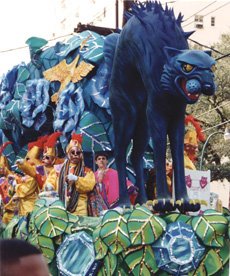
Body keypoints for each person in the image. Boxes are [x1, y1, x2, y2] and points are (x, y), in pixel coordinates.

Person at [43, 133, 96, 216]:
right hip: (60, 208)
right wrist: (49, 186)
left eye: (78, 153)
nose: (75, 154)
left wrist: (77, 179)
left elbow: (90, 185)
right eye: (72, 152)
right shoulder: (58, 169)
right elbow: (50, 180)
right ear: (68, 153)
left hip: (80, 210)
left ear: (81, 155)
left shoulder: (87, 171)